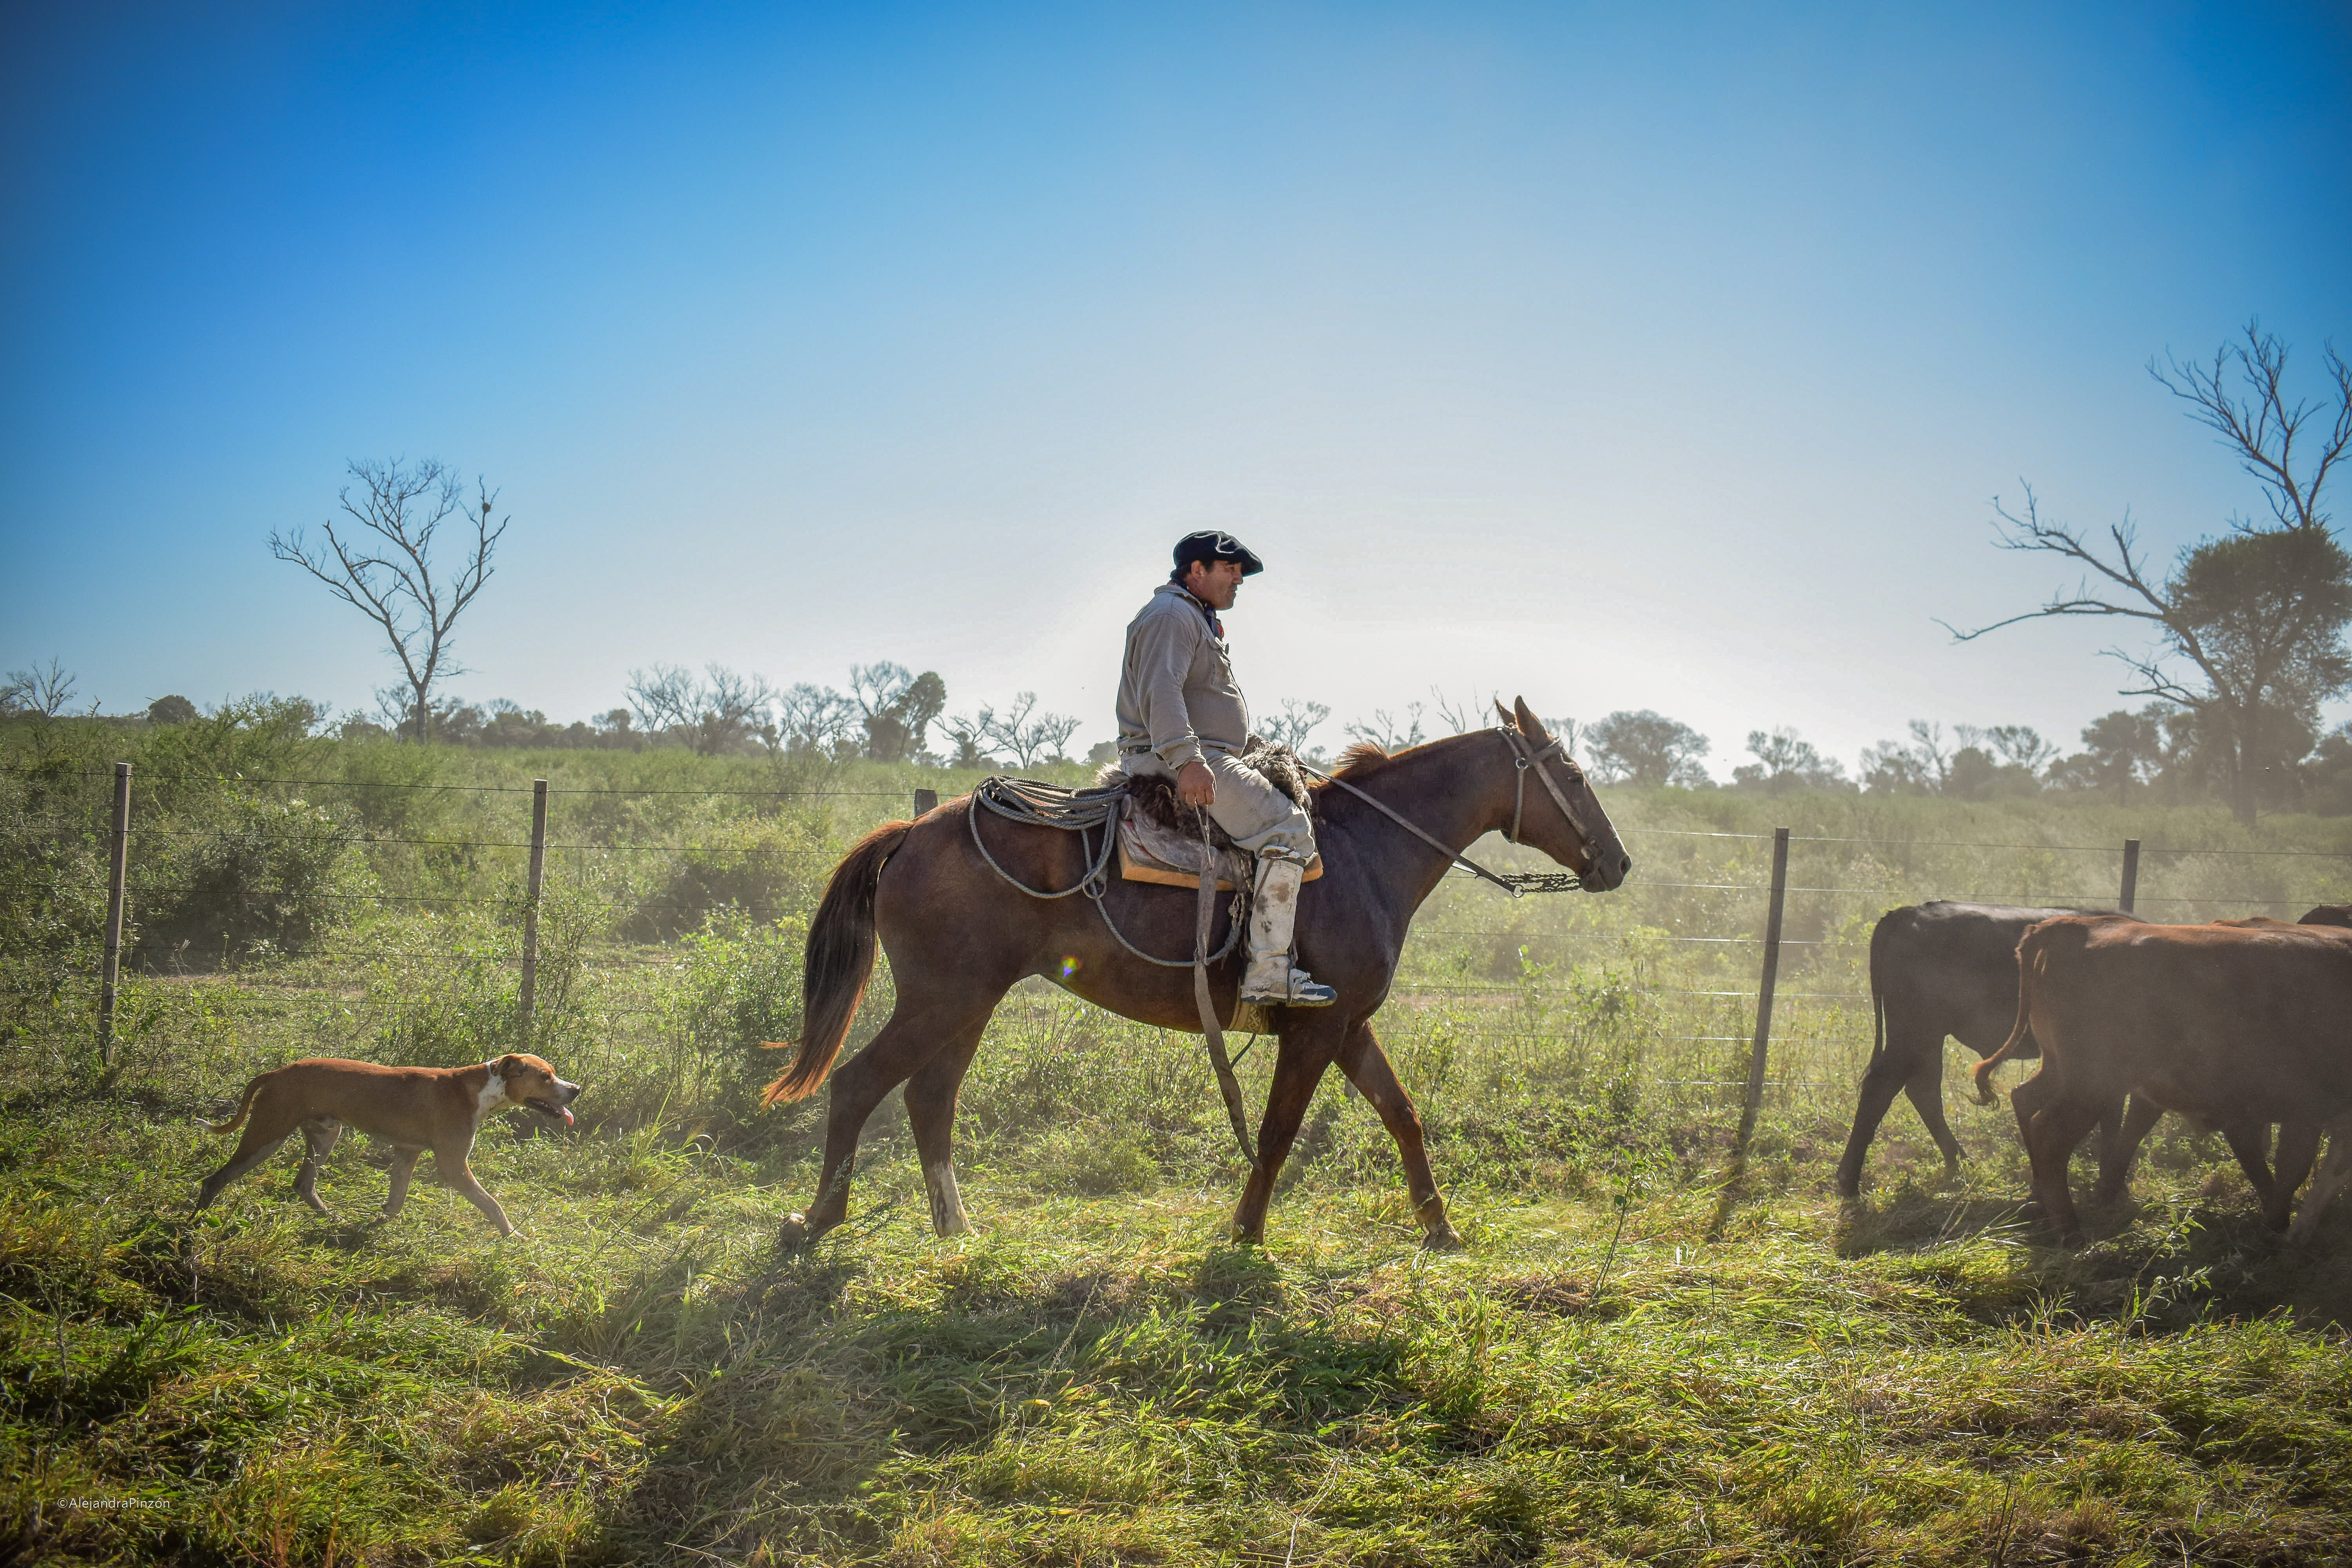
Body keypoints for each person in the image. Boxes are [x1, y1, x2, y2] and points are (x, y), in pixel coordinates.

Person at [1115, 530, 1336, 1007]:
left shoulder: (1191, 617)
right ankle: (1270, 972)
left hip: (1200, 753)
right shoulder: (1173, 615)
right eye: (1229, 569)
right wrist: (1188, 759)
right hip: (1177, 759)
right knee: (1289, 826)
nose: (1239, 579)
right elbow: (1162, 692)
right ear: (1196, 570)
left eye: (1240, 573)